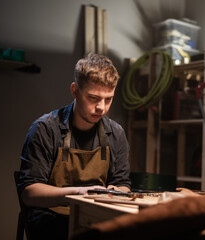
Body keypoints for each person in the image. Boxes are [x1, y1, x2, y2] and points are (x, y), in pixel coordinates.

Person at [17, 53, 131, 240]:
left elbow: (123, 185)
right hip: (51, 215)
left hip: (97, 215)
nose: (101, 107)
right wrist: (78, 193)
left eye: (108, 99)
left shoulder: (116, 133)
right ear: (75, 90)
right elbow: (29, 192)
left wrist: (115, 193)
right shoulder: (46, 129)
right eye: (93, 98)